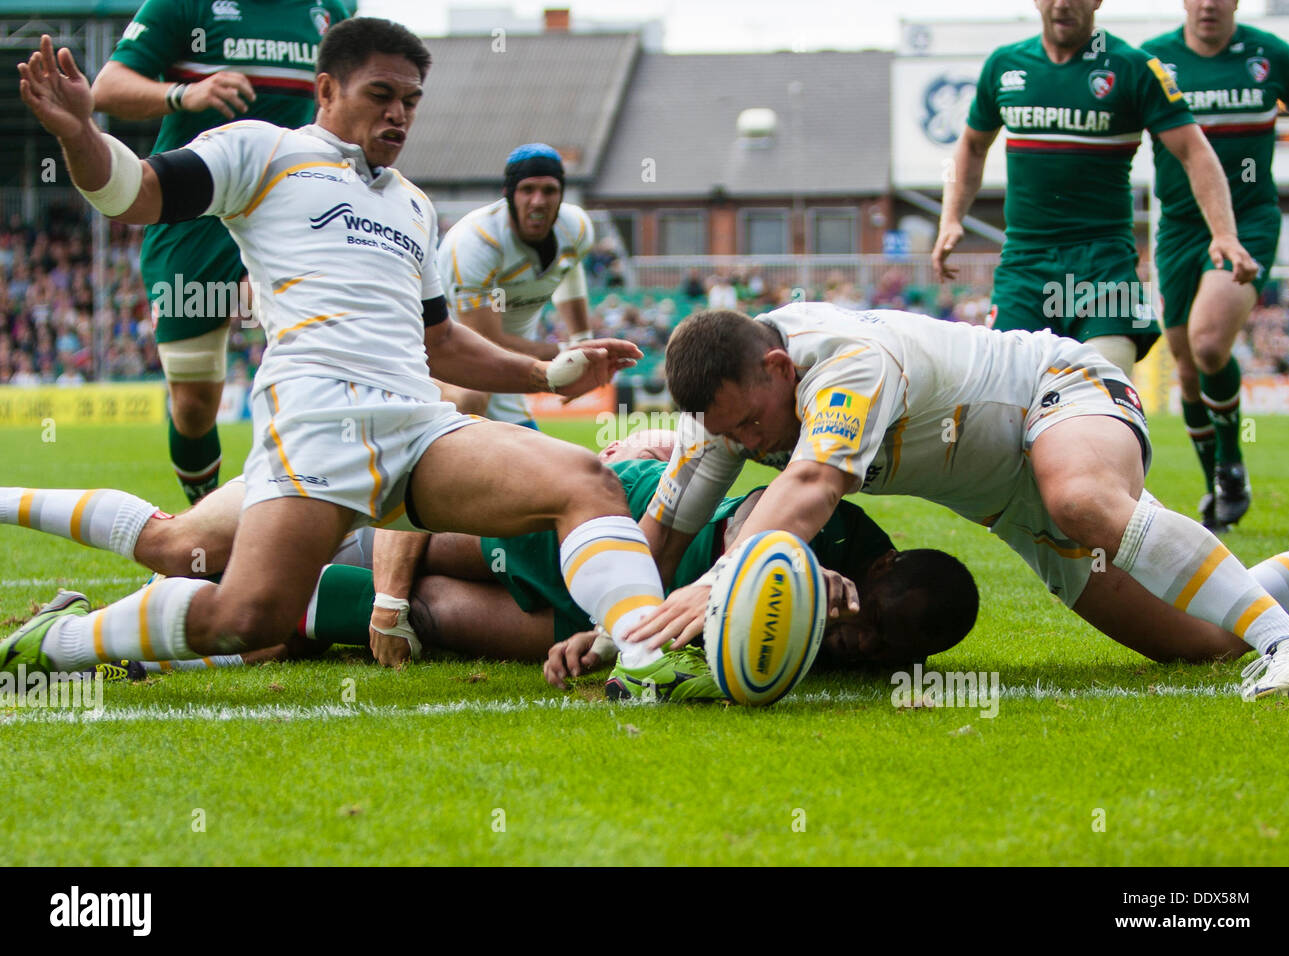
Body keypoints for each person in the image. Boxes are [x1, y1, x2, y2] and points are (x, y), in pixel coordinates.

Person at [3, 20, 669, 681]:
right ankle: (57, 642)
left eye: (410, 101)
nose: (398, 114)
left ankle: (647, 657)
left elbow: (439, 341)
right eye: (381, 94)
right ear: (326, 88)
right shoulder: (261, 151)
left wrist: (546, 371)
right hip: (319, 421)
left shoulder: (412, 205)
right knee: (249, 617)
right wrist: (79, 134)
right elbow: (136, 194)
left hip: (418, 427)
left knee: (588, 482)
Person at [620, 302, 1289, 702]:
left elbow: (811, 487)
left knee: (1082, 499)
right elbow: (662, 539)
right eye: (728, 433)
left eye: (749, 424)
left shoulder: (847, 362)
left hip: (1054, 388)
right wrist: (618, 632)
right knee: (1199, 642)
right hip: (1008, 503)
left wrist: (715, 584)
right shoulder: (723, 406)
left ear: (778, 369)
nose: (746, 442)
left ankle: (1285, 642)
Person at [0, 447, 982, 698]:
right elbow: (726, 550)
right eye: (861, 621)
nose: (848, 638)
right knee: (190, 546)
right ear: (878, 562)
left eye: (871, 649)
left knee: (302, 622)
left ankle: (74, 631)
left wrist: (604, 641)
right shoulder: (834, 530)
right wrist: (800, 570)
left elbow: (704, 634)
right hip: (560, 529)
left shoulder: (873, 651)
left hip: (605, 597)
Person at [92, 0, 350, 504]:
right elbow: (106, 87)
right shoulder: (183, 5)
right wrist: (184, 93)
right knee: (193, 404)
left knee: (325, 369)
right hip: (197, 212)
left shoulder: (332, 8)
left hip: (293, 212)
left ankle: (315, 513)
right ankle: (207, 517)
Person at [931, 0, 1257, 380]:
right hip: (1025, 264)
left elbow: (1194, 151)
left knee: (1103, 388)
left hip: (1104, 264)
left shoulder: (1133, 67)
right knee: (1006, 399)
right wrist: (951, 218)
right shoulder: (1005, 66)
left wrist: (1224, 233)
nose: (1063, 4)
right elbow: (971, 146)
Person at [1142, 0, 1289, 531]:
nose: (1208, 3)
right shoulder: (1153, 61)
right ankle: (1215, 483)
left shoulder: (1271, 55)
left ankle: (1232, 465)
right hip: (1179, 226)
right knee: (1186, 369)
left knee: (1210, 345)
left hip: (1249, 220)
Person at [434, 144, 595, 429]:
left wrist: (583, 338)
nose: (538, 201)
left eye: (549, 191)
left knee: (543, 470)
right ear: (508, 194)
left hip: (511, 374)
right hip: (459, 364)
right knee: (471, 399)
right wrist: (571, 354)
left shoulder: (577, 227)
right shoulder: (476, 243)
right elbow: (486, 344)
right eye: (527, 189)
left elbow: (568, 269)